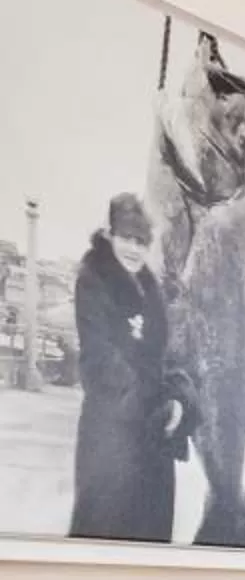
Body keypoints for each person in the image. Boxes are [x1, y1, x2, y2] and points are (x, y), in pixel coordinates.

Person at [68, 194, 184, 542]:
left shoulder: (151, 288)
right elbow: (99, 359)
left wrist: (179, 398)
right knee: (104, 534)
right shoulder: (93, 279)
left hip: (153, 439)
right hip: (111, 436)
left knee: (148, 541)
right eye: (127, 238)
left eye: (142, 241)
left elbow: (168, 356)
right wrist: (151, 404)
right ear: (110, 234)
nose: (134, 249)